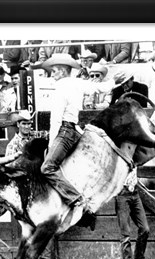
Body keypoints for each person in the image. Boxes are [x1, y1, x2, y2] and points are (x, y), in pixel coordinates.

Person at [39, 53, 116, 219]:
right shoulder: (78, 83)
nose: (52, 75)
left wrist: (52, 142)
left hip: (65, 130)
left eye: (54, 72)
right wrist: (113, 81)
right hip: (74, 130)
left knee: (47, 167)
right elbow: (99, 87)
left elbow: (56, 118)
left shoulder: (60, 87)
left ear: (62, 71)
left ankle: (76, 199)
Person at [4, 111, 56, 259]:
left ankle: (45, 258)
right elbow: (9, 168)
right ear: (18, 125)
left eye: (29, 123)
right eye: (24, 123)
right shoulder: (13, 145)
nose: (27, 126)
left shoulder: (36, 137)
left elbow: (51, 134)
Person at [115, 167, 152, 259]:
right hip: (122, 194)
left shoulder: (134, 152)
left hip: (134, 192)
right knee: (125, 233)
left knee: (145, 229)